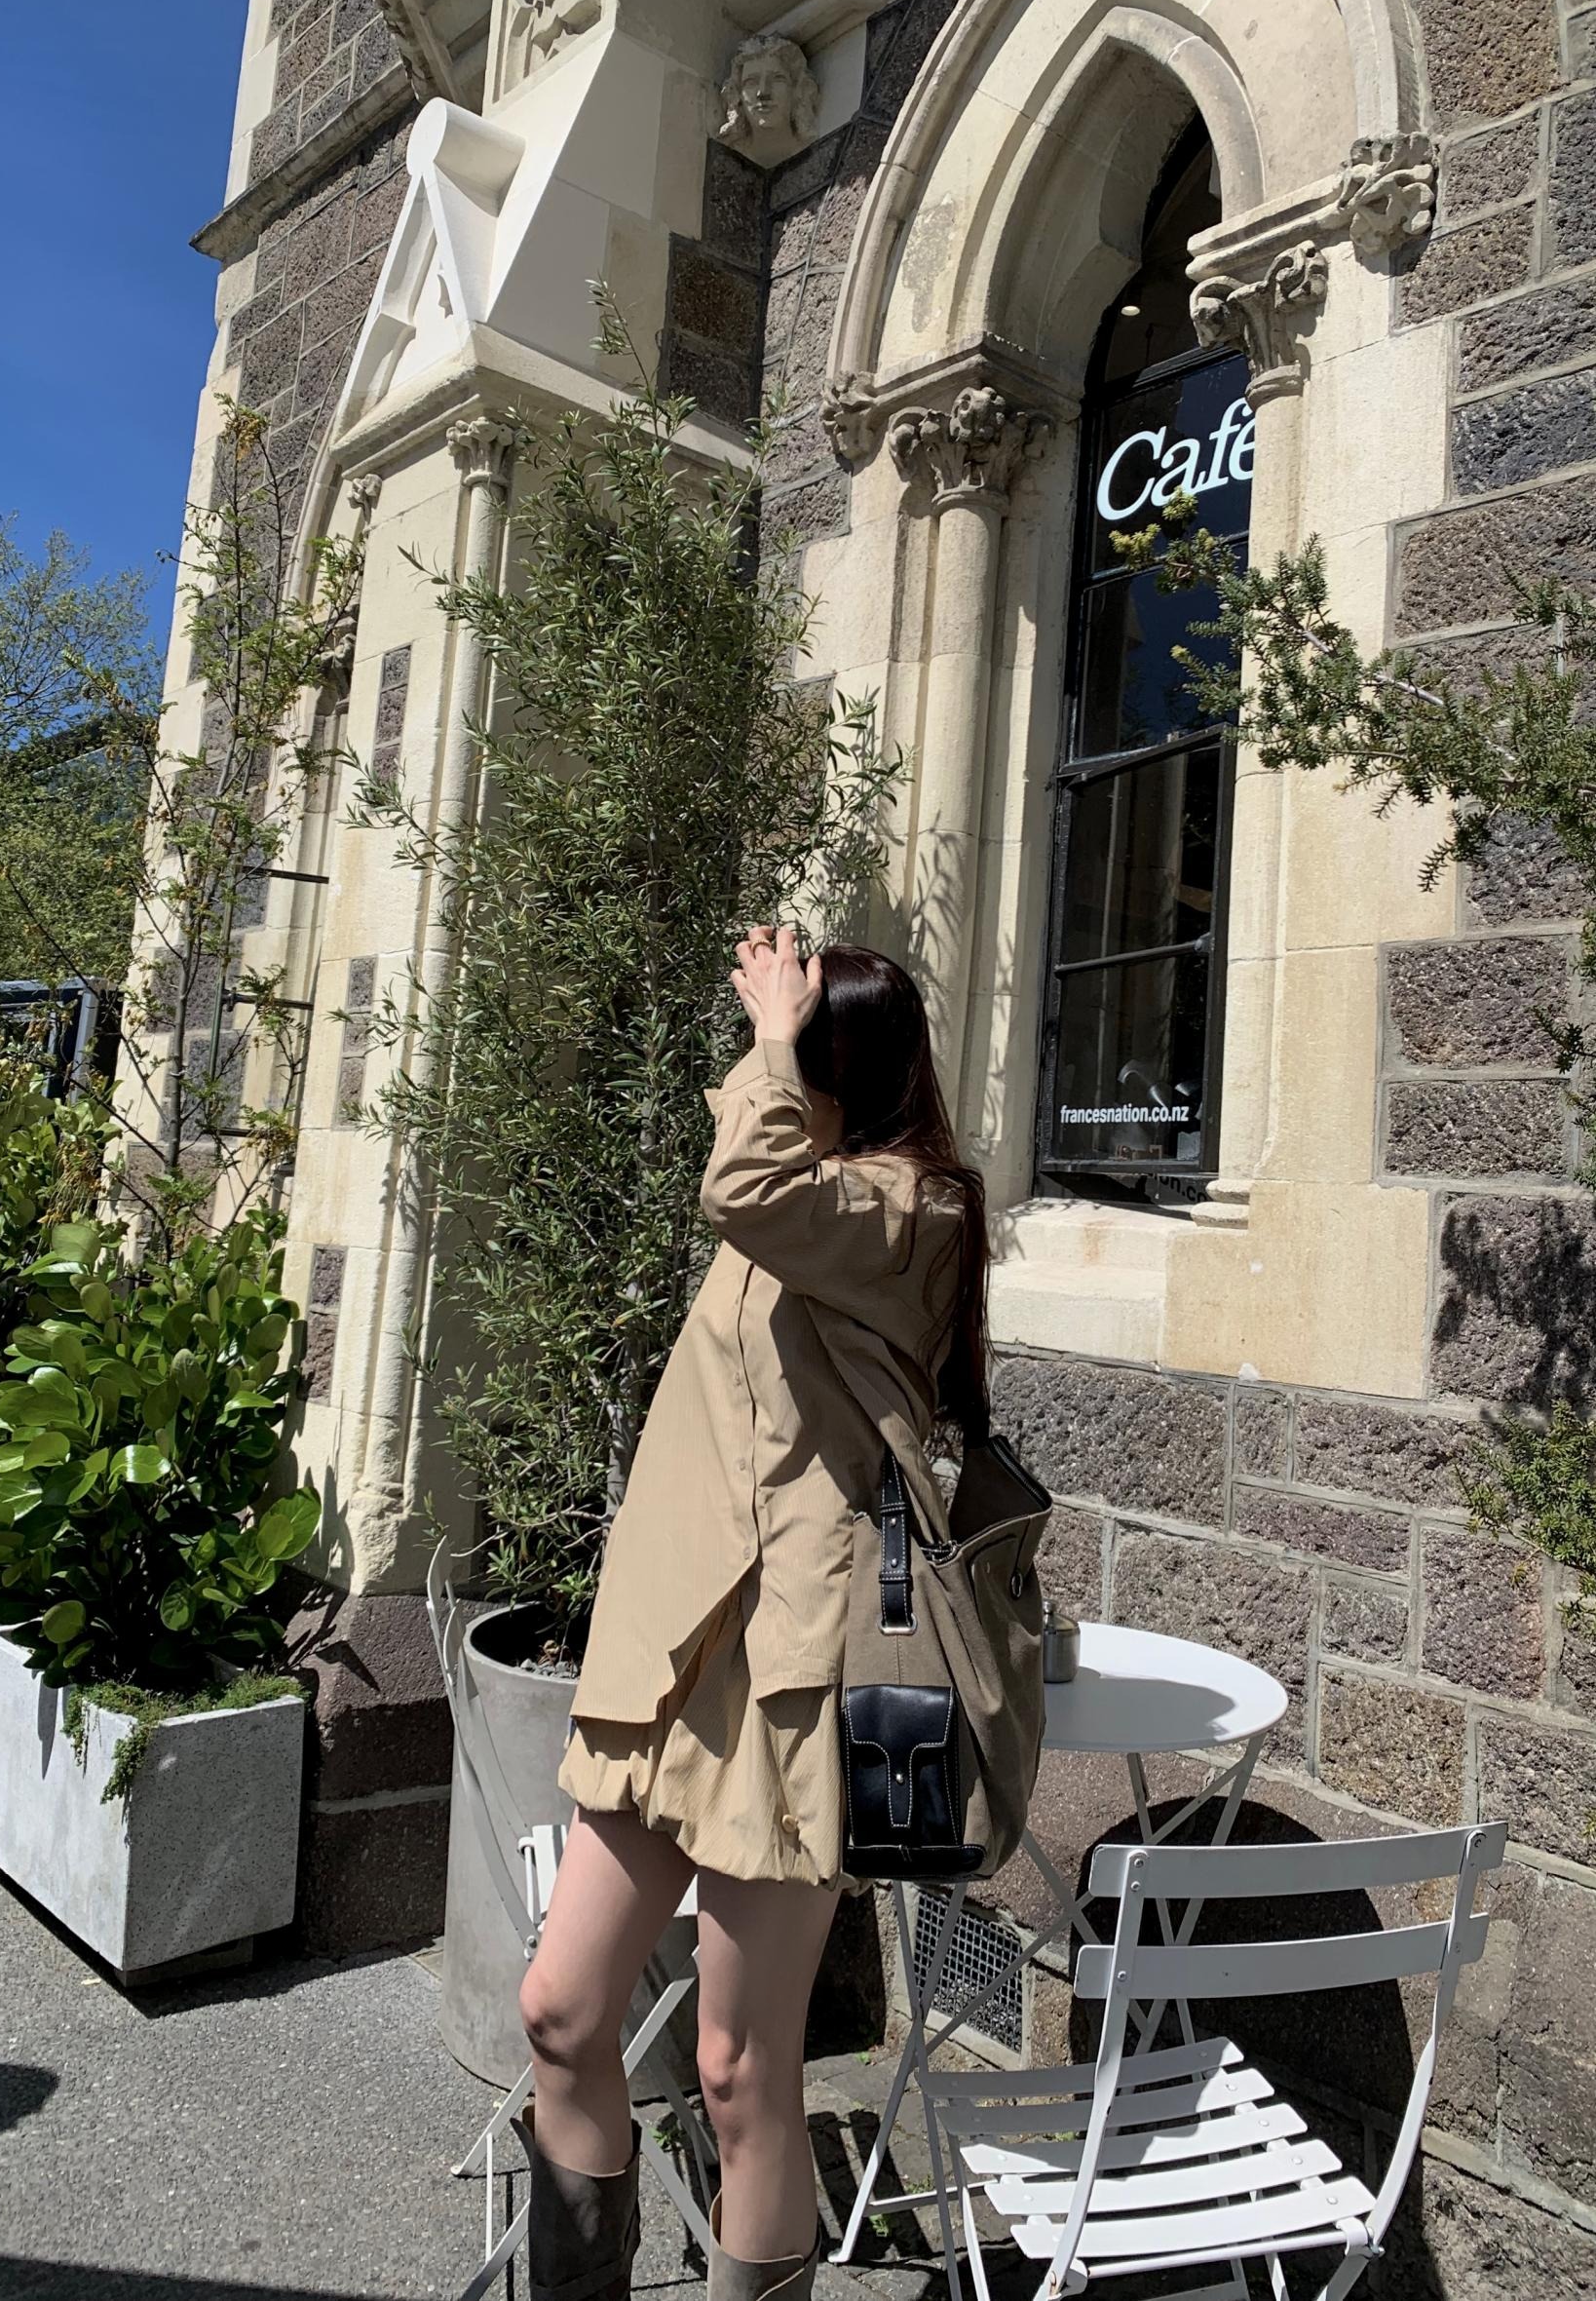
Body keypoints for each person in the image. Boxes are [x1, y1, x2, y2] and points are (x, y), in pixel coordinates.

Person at [513, 924, 992, 2301]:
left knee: (738, 2068)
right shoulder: (804, 1184)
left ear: (839, 1069)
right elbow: (746, 1154)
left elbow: (742, 1180)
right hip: (679, 1654)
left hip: (791, 1673)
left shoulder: (911, 1214)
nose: (760, 1051)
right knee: (561, 2011)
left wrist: (781, 1044)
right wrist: (777, 1041)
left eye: (789, 1037)